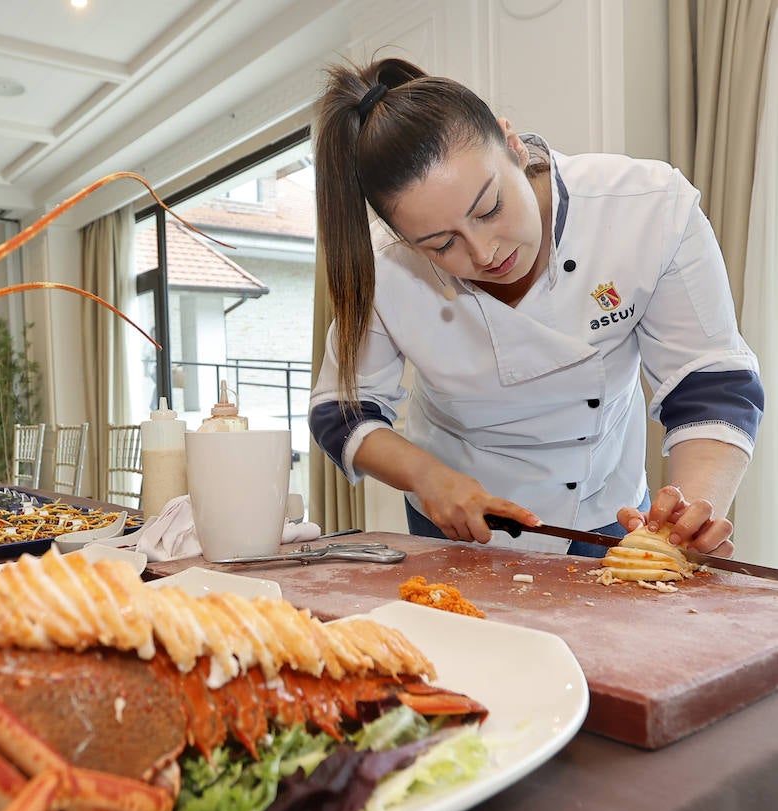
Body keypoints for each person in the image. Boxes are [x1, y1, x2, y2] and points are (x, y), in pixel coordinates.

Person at [307, 58, 763, 559]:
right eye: (440, 245)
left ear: (513, 144)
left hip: (605, 514)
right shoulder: (383, 264)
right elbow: (342, 410)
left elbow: (710, 381)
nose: (483, 254)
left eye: (488, 209)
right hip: (458, 518)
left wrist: (689, 515)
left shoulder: (645, 208)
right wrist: (428, 477)